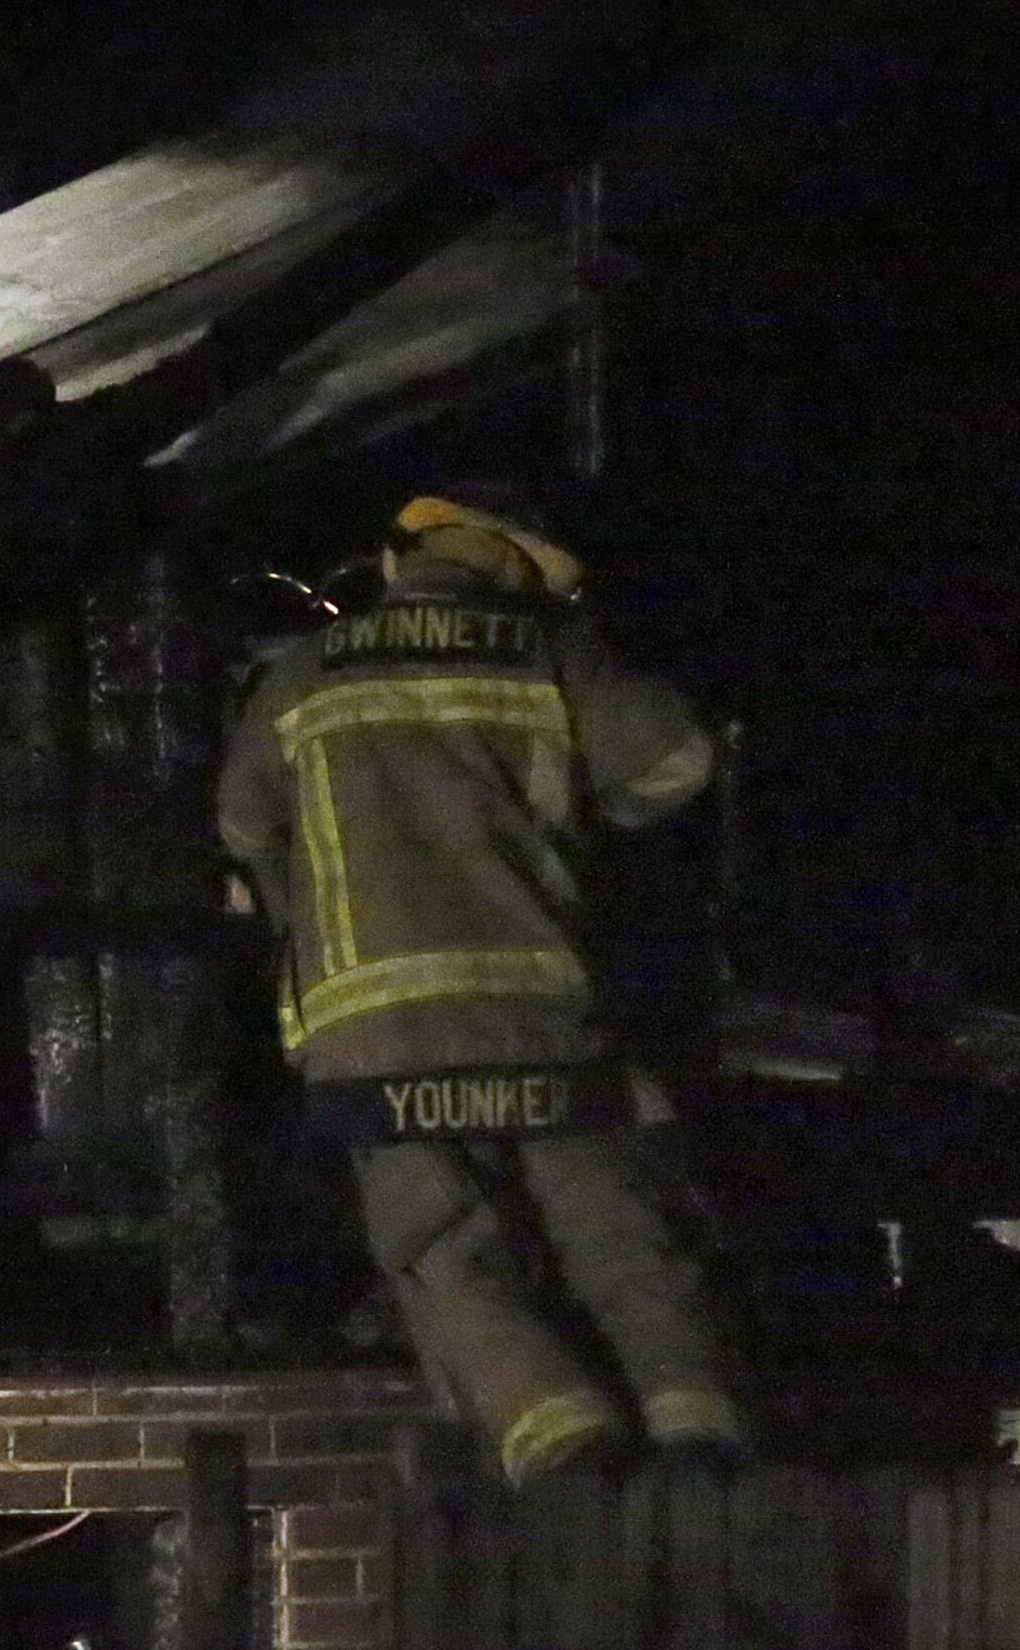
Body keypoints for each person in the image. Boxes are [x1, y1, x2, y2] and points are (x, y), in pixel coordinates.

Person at [218, 494, 744, 1484]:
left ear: (401, 552)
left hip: (371, 1033)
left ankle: (564, 1447)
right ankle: (697, 1435)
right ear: (520, 567)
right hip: (544, 1015)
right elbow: (679, 762)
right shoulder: (549, 652)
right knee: (620, 1231)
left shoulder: (297, 676)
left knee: (445, 1251)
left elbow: (245, 827)